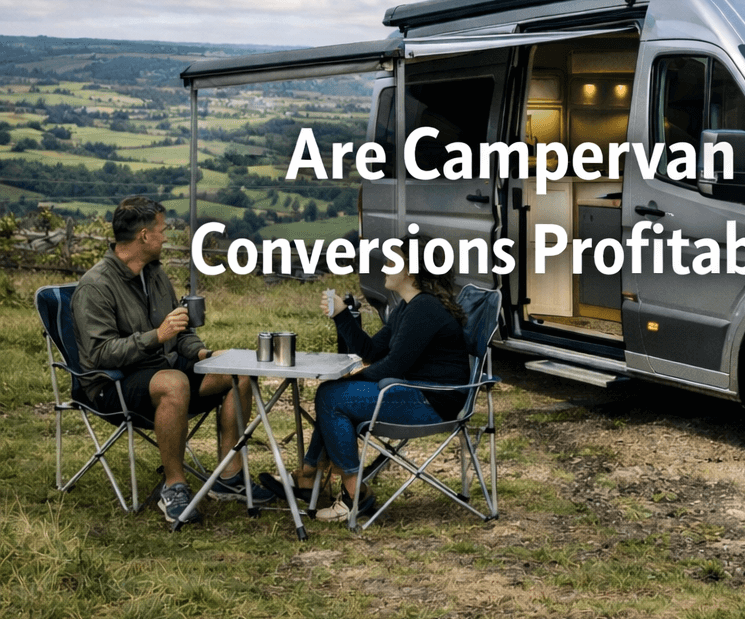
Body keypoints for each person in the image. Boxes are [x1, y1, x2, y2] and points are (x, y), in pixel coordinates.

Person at [72, 195, 272, 523]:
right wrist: (156, 336)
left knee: (238, 372)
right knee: (175, 383)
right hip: (114, 384)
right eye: (162, 230)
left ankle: (228, 477)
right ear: (144, 236)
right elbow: (100, 354)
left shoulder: (155, 274)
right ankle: (174, 486)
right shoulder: (95, 286)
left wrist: (205, 354)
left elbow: (179, 330)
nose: (166, 236)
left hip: (162, 368)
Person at [263, 241, 469, 522]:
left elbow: (394, 365)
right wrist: (341, 315)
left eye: (392, 261)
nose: (384, 266)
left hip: (432, 400)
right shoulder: (408, 308)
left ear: (411, 270)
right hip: (413, 391)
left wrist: (349, 377)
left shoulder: (425, 310)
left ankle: (351, 494)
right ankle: (310, 476)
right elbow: (372, 351)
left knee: (332, 397)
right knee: (331, 393)